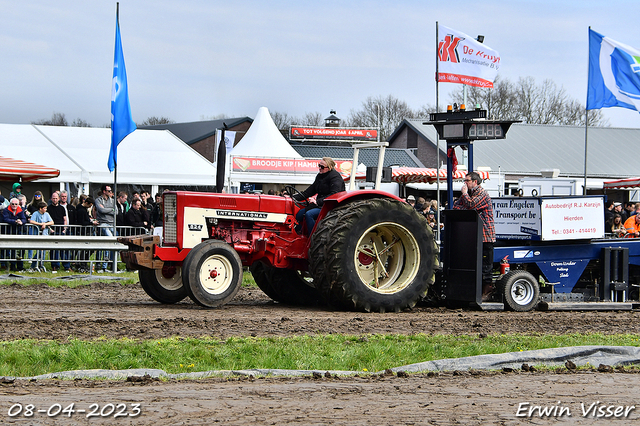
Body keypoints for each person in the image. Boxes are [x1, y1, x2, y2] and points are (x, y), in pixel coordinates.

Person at [453, 171, 496, 301]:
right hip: (475, 235)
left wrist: (465, 195)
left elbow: (471, 205)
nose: (464, 183)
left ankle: (487, 290)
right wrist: (468, 206)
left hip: (485, 235)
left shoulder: (483, 193)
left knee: (486, 266)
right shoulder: (471, 195)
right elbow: (456, 206)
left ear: (474, 182)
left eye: (467, 181)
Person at [293, 157, 345, 234]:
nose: (320, 168)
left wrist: (317, 201)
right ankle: (300, 234)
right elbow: (308, 192)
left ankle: (313, 239)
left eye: (322, 167)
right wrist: (292, 197)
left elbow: (334, 194)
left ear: (329, 167)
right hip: (320, 204)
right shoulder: (320, 176)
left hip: (330, 206)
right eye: (319, 165)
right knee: (297, 215)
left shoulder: (335, 177)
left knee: (309, 214)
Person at [94, 184, 115, 271]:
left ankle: (108, 265)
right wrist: (111, 209)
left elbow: (116, 212)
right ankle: (101, 265)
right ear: (104, 191)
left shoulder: (113, 201)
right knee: (107, 242)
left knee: (112, 245)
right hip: (103, 224)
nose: (110, 192)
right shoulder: (98, 200)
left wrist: (107, 209)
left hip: (112, 224)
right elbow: (101, 210)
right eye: (109, 191)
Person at [2, 198, 27, 271]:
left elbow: (24, 219)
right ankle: (12, 265)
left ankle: (20, 266)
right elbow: (5, 219)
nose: (14, 205)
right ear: (10, 204)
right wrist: (15, 221)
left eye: (16, 204)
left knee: (20, 250)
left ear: (18, 204)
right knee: (11, 250)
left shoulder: (20, 210)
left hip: (18, 232)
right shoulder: (6, 210)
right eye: (13, 204)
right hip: (8, 232)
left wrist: (21, 222)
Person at [28, 201, 54, 271]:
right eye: (44, 208)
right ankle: (33, 265)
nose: (45, 210)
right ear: (40, 208)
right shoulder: (35, 213)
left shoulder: (47, 214)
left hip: (44, 234)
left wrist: (45, 224)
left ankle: (41, 265)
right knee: (39, 251)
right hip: (37, 234)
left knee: (43, 250)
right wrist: (40, 224)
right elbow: (31, 221)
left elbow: (52, 222)